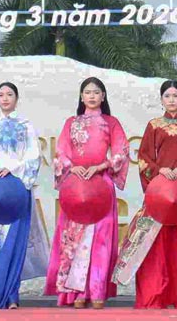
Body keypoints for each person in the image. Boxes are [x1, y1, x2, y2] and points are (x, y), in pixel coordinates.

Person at [116, 80, 177, 309]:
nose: (171, 100)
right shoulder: (154, 125)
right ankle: (156, 295)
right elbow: (145, 157)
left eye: (175, 96)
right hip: (160, 192)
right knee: (156, 246)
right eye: (167, 96)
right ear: (161, 100)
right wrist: (159, 170)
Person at [44, 77, 129, 309]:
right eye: (87, 92)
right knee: (75, 239)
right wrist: (73, 166)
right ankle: (77, 292)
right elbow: (60, 152)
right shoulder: (71, 122)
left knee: (101, 239)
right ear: (81, 97)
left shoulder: (111, 123)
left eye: (96, 92)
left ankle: (97, 290)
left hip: (101, 185)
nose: (91, 96)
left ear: (103, 96)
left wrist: (101, 166)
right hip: (77, 186)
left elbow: (122, 151)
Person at [0, 82, 50, 309]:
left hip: (15, 191)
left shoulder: (26, 126)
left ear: (17, 98)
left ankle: (11, 296)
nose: (5, 98)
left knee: (12, 244)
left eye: (9, 94)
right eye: (1, 95)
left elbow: (33, 157)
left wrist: (12, 170)